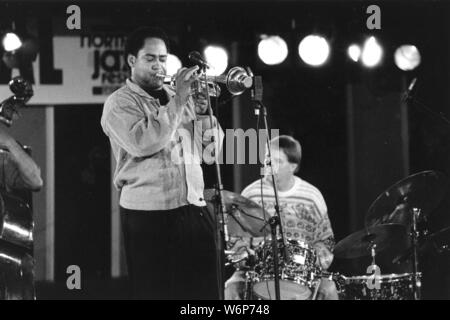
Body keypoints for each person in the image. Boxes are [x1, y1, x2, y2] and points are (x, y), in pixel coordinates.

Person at [101, 27, 223, 299]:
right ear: (132, 61)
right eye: (150, 58)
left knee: (203, 293)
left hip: (192, 208)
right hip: (149, 213)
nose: (159, 65)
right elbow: (144, 143)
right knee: (156, 292)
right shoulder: (119, 103)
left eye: (163, 58)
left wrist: (203, 114)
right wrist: (180, 100)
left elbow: (210, 153)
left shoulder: (175, 97)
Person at [225, 135, 338, 300]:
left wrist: (313, 265)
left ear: (293, 166)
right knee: (231, 288)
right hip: (257, 271)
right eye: (267, 160)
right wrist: (244, 257)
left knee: (329, 289)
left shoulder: (312, 197)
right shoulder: (251, 194)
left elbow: (326, 241)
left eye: (278, 161)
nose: (269, 166)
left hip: (302, 274)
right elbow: (236, 240)